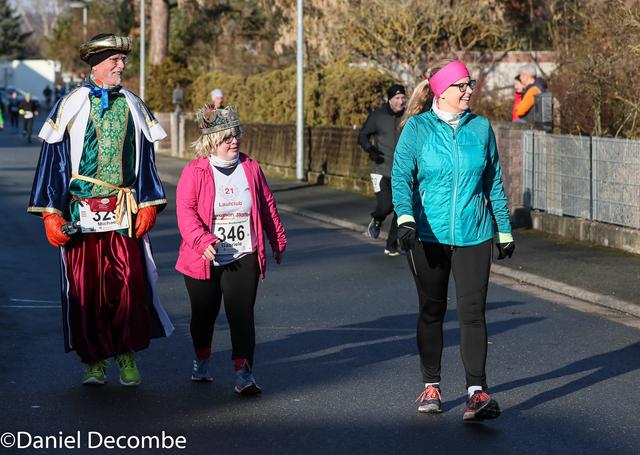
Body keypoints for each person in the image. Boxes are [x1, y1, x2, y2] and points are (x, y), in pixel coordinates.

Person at [27, 33, 174, 386]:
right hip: (81, 215)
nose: (121, 66)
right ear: (96, 65)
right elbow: (53, 161)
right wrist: (51, 212)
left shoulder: (133, 104)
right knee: (86, 290)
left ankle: (126, 355)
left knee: (128, 286)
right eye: (114, 60)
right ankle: (93, 361)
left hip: (122, 212)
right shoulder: (71, 104)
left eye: (123, 60)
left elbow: (147, 160)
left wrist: (149, 204)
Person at [391, 59, 515, 422]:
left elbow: (493, 181)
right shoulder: (418, 128)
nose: (469, 90)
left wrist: (504, 228)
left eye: (470, 84)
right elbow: (401, 176)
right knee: (432, 310)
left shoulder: (481, 127)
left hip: (474, 232)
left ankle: (477, 393)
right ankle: (431, 385)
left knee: (473, 313)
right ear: (441, 91)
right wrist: (405, 217)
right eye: (461, 85)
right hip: (427, 234)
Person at [175, 104, 287, 395]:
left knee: (242, 314)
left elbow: (266, 205)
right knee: (204, 316)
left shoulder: (251, 167)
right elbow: (185, 212)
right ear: (212, 141)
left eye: (236, 135)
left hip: (243, 253)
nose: (234, 141)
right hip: (203, 257)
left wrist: (277, 239)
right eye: (227, 138)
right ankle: (201, 358)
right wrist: (202, 241)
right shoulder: (195, 171)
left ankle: (243, 373)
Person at [357, 83, 406, 256]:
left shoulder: (408, 117)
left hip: (402, 173)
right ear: (390, 99)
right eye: (397, 98)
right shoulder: (377, 116)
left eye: (403, 98)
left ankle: (391, 245)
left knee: (401, 209)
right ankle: (377, 219)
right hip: (380, 170)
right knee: (386, 206)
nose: (401, 101)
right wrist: (371, 150)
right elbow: (362, 136)